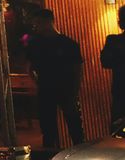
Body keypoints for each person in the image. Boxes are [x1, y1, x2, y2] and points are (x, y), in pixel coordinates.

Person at [26, 8, 84, 150]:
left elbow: (29, 68)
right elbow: (78, 70)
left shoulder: (36, 45)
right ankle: (79, 153)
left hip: (50, 89)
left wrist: (38, 82)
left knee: (51, 129)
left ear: (47, 22)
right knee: (72, 127)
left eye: (37, 24)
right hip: (64, 89)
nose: (36, 28)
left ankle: (53, 154)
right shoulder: (69, 44)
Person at [101, 6, 125, 124]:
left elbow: (106, 62)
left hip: (120, 90)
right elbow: (106, 62)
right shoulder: (113, 41)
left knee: (119, 130)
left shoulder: (113, 41)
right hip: (120, 91)